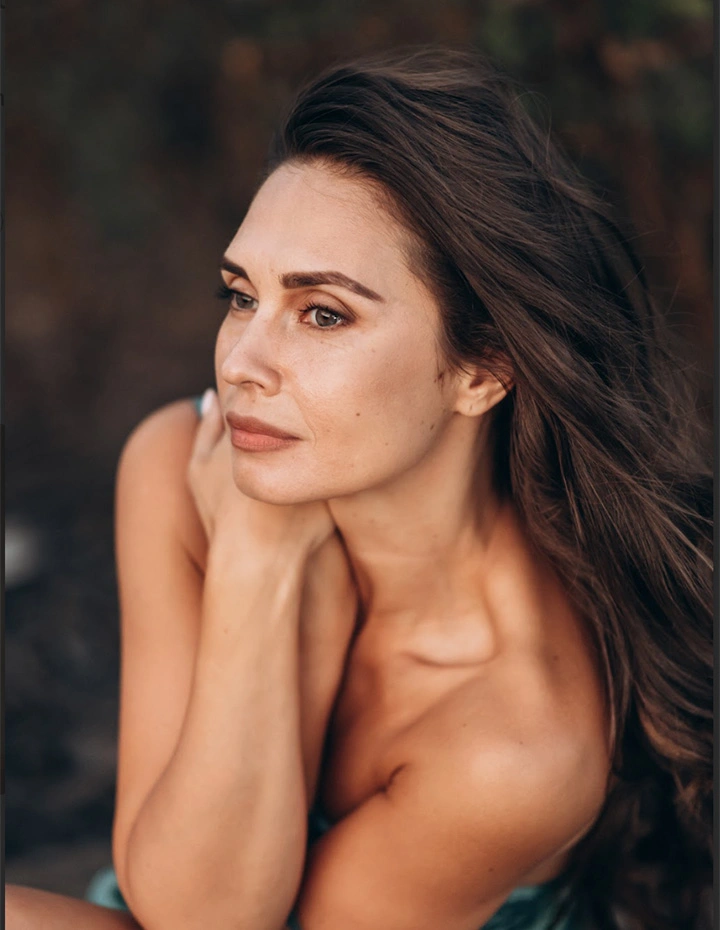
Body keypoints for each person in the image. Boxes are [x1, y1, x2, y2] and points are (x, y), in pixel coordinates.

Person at [6, 49, 712, 930]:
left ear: (484, 367)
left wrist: (255, 560)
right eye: (240, 295)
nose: (240, 365)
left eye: (323, 313)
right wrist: (260, 556)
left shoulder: (513, 746)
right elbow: (165, 890)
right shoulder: (182, 464)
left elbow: (201, 918)